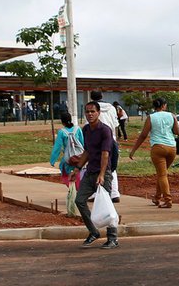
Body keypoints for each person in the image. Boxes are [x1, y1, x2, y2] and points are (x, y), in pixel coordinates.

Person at [71, 101, 119, 249]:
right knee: (79, 200)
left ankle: (113, 238)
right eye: (87, 112)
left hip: (102, 173)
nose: (90, 114)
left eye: (92, 111)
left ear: (99, 113)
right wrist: (78, 168)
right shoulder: (86, 130)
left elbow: (106, 154)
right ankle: (93, 231)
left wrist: (102, 174)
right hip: (90, 171)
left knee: (107, 204)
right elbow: (87, 151)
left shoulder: (105, 130)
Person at [128, 97, 179, 208]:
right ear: (163, 106)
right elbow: (177, 131)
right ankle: (157, 197)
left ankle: (168, 200)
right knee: (163, 174)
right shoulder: (172, 116)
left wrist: (133, 150)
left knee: (162, 175)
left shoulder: (151, 117)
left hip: (158, 147)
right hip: (172, 147)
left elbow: (143, 135)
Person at [90, 91, 122, 201]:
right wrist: (116, 141)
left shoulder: (90, 109)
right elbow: (116, 125)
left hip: (97, 140)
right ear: (102, 96)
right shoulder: (111, 108)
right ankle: (114, 193)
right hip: (111, 139)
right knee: (112, 166)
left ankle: (97, 193)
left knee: (96, 166)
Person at [50, 111, 84, 187]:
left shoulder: (61, 132)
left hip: (68, 159)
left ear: (62, 121)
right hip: (79, 158)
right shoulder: (78, 129)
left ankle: (72, 191)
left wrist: (53, 160)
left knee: (66, 174)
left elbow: (57, 147)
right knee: (79, 174)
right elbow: (82, 143)